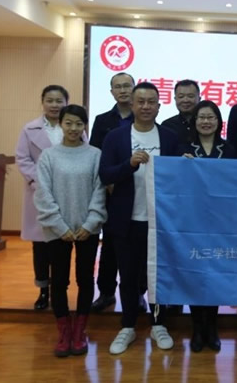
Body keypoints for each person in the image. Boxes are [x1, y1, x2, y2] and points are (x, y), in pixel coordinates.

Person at [100, 82, 179, 355]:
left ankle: (158, 323)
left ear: (159, 106)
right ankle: (128, 325)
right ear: (132, 105)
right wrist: (129, 164)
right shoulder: (116, 137)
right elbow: (105, 175)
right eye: (141, 101)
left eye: (151, 102)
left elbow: (178, 178)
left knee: (157, 275)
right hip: (127, 219)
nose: (146, 106)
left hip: (160, 222)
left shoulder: (169, 137)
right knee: (128, 275)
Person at [34, 104, 107, 357]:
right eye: (69, 123)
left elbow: (100, 191)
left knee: (85, 279)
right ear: (61, 124)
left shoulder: (95, 154)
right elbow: (43, 193)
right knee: (59, 281)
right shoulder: (49, 156)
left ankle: (79, 331)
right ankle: (64, 331)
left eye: (79, 123)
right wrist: (59, 225)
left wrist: (90, 223)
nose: (74, 128)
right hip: (57, 230)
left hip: (88, 229)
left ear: (85, 125)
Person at [179, 100, 236, 353]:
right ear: (194, 122)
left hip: (221, 222)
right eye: (201, 117)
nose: (205, 122)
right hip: (192, 221)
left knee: (214, 275)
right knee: (195, 274)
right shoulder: (183, 149)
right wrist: (182, 166)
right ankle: (197, 327)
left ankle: (211, 328)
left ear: (218, 122)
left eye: (211, 117)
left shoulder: (229, 149)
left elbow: (236, 183)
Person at [15, 84, 70, 310]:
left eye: (59, 101)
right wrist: (41, 183)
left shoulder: (73, 126)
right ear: (42, 102)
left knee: (61, 245)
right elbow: (23, 159)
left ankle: (59, 289)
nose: (54, 105)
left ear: (66, 103)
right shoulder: (29, 129)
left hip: (67, 193)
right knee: (41, 246)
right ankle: (43, 290)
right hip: (39, 193)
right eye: (50, 100)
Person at [89, 72, 134, 313]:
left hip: (138, 191)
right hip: (110, 191)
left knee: (135, 246)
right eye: (118, 86)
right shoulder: (102, 120)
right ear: (112, 92)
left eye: (127, 85)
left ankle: (137, 294)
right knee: (109, 245)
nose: (123, 90)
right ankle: (106, 292)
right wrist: (109, 184)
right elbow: (96, 156)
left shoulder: (143, 117)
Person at [161, 79, 201, 144]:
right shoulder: (167, 125)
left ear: (199, 99)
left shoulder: (206, 124)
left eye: (190, 96)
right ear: (175, 99)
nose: (185, 100)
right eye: (181, 96)